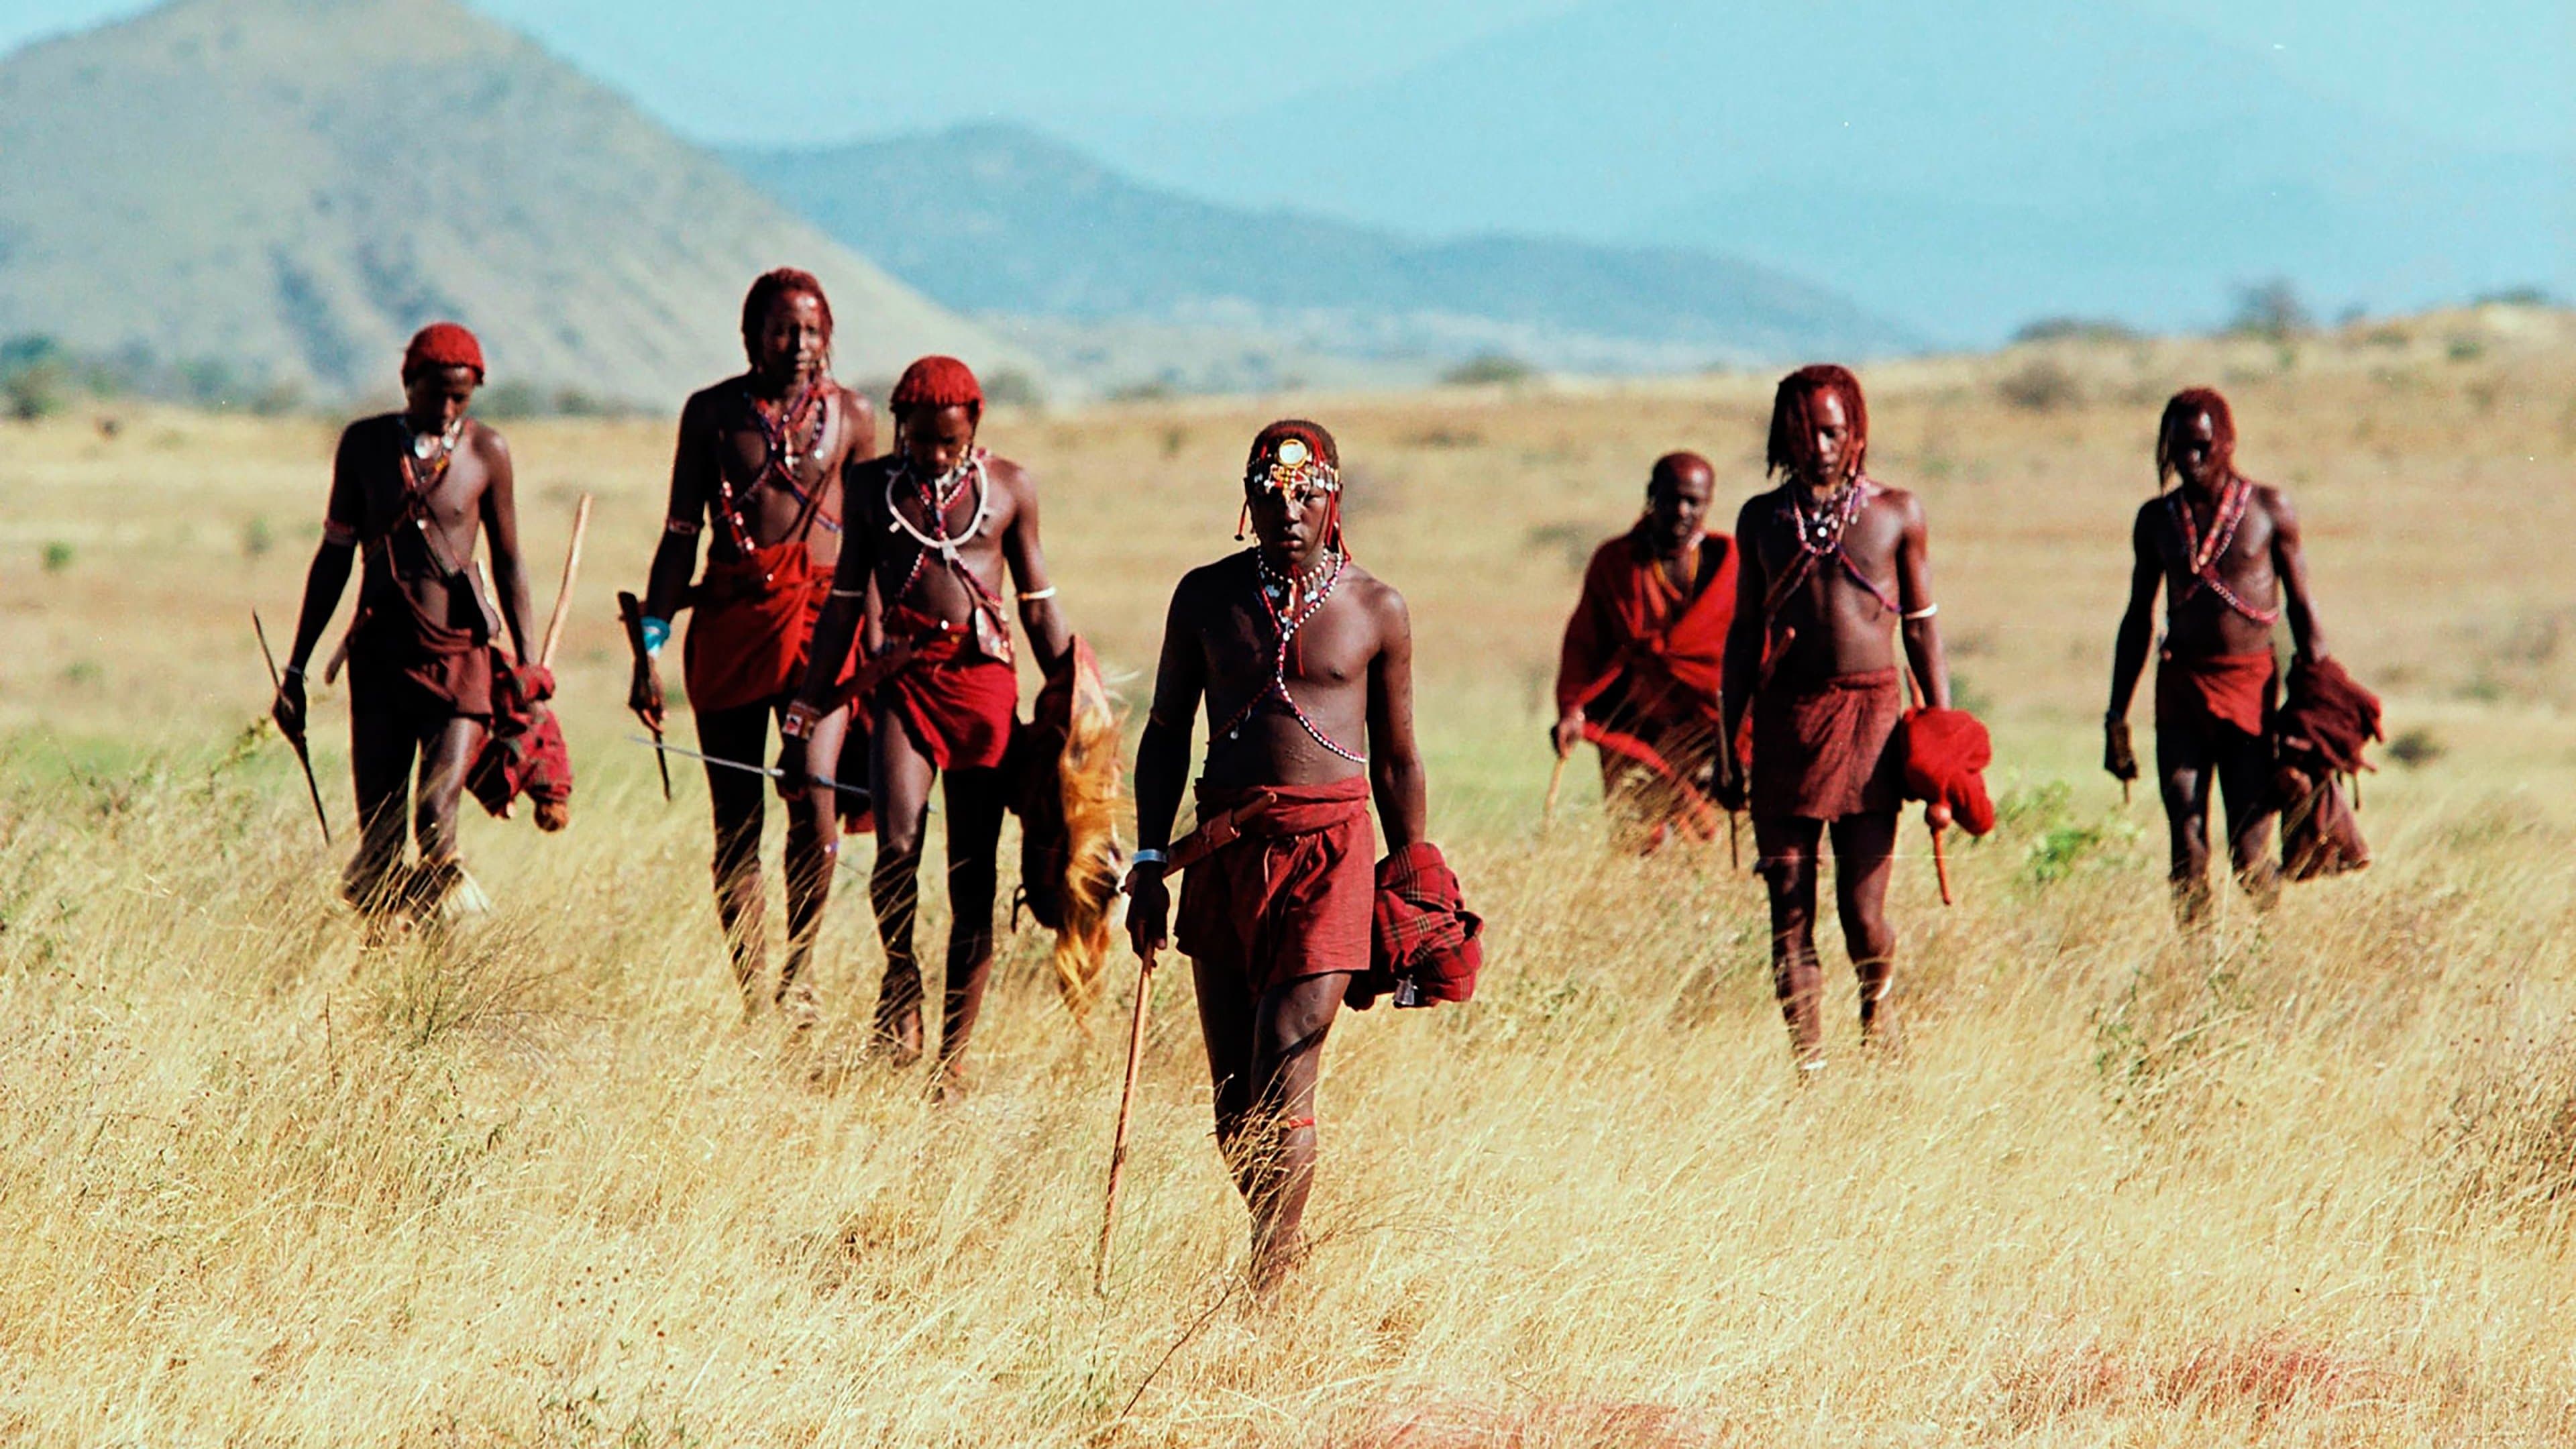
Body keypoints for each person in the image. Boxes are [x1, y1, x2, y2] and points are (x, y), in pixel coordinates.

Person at [1125, 419, 1432, 1293]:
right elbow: (1163, 732)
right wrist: (1149, 862)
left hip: (1332, 855)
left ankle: (1266, 1285)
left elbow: (1401, 755)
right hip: (1224, 853)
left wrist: (1415, 876)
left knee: (1284, 1058)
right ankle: (1277, 1242)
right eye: (1270, 491)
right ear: (1247, 500)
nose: (1288, 508)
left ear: (1335, 498)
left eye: (1306, 492)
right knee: (1233, 1109)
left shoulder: (1378, 609)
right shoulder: (1205, 598)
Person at [785, 356, 1069, 1089]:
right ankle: (900, 974)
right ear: (899, 427)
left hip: (982, 688)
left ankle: (952, 1057)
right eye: (920, 442)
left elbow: (1036, 602)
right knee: (897, 845)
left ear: (974, 426)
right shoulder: (872, 486)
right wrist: (810, 704)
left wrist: (1073, 683)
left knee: (973, 874)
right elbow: (846, 600)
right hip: (904, 684)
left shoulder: (1008, 487)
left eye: (949, 443)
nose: (936, 457)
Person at [631, 269, 877, 1026]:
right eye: (781, 328)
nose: (797, 344)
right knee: (735, 822)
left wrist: (880, 635)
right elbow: (681, 534)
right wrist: (652, 639)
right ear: (749, 334)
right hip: (732, 626)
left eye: (810, 329)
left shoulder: (855, 417)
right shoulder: (710, 414)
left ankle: (798, 976)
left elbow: (871, 539)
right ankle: (755, 999)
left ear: (828, 334)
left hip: (823, 629)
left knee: (813, 788)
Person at [272, 323, 541, 931]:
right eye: (435, 394)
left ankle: (443, 970)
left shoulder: (487, 452)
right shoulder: (365, 447)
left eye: (461, 396)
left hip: (461, 662)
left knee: (436, 813)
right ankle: (384, 960)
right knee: (382, 826)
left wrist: (528, 664)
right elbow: (334, 555)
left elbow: (510, 560)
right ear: (407, 382)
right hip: (380, 661)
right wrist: (295, 668)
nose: (446, 408)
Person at [1719, 365, 1950, 1071]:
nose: (1820, 444)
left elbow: (1920, 630)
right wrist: (1730, 746)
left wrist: (1943, 740)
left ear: (1856, 433)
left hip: (1873, 724)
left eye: (1833, 430)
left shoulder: (1896, 513)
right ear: (1782, 433)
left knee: (1862, 912)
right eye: (1805, 430)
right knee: (1788, 909)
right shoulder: (1761, 519)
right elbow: (1740, 638)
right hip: (1786, 723)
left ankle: (1876, 1015)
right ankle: (1808, 1070)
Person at [2105, 387, 2328, 924]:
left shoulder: (2268, 510)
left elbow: (2301, 609)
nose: (2189, 460)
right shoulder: (2157, 520)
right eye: (2178, 448)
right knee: (2186, 843)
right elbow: (2138, 618)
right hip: (2180, 691)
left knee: (2250, 855)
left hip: (2250, 694)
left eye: (2202, 447)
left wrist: (2319, 702)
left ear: (2226, 443)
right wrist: (2117, 716)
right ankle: (2194, 973)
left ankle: (2269, 952)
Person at [1552, 451, 1738, 851]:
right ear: (1652, 495)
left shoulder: (1728, 564)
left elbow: (1754, 650)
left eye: (1694, 501)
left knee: (1721, 838)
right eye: (1672, 499)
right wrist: (1571, 709)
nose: (1682, 511)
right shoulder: (1616, 562)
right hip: (1637, 724)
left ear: (1709, 503)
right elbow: (1584, 642)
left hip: (1711, 724)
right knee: (1642, 841)